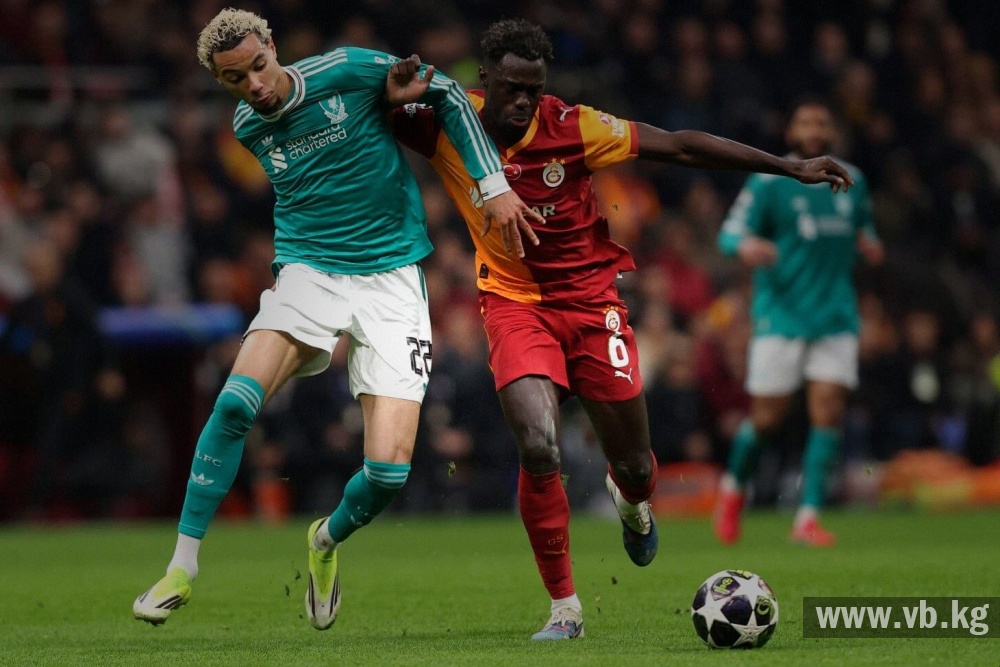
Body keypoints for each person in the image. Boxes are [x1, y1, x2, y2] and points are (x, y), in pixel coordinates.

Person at [388, 19, 855, 640]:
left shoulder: (574, 126)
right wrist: (382, 90)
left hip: (590, 304)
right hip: (513, 303)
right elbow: (366, 106)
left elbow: (680, 146)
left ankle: (632, 501)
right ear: (486, 78)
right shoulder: (450, 121)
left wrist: (787, 168)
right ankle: (565, 608)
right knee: (539, 446)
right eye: (511, 88)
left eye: (534, 89)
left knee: (635, 466)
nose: (524, 101)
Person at [132, 8, 541, 630]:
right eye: (236, 79)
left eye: (259, 66)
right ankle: (181, 567)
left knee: (388, 473)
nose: (254, 86)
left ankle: (324, 540)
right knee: (236, 403)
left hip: (392, 277)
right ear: (222, 82)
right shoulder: (248, 125)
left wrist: (492, 184)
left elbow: (448, 93)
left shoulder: (348, 67)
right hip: (310, 270)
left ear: (273, 46)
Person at [713, 97, 884, 548]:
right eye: (805, 122)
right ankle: (733, 489)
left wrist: (869, 243)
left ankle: (807, 517)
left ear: (832, 132)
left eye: (821, 122)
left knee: (828, 413)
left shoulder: (853, 180)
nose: (814, 129)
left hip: (835, 315)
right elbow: (729, 233)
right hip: (782, 315)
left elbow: (865, 227)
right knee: (766, 419)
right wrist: (745, 246)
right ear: (791, 132)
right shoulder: (770, 180)